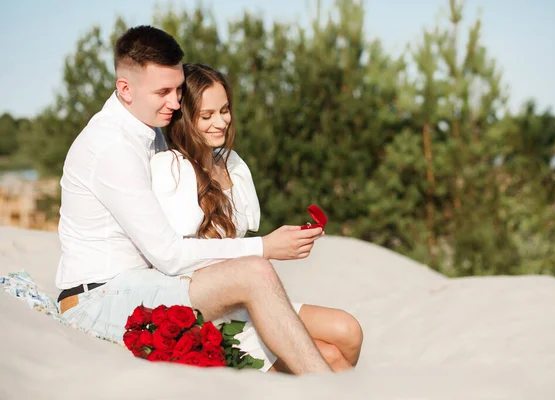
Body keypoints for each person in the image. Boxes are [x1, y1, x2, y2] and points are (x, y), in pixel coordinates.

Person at [54, 25, 360, 375]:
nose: (175, 102)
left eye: (179, 89)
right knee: (255, 270)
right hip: (100, 298)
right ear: (125, 89)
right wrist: (264, 247)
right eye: (163, 92)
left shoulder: (149, 129)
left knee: (335, 349)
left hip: (150, 287)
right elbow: (169, 255)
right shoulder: (112, 146)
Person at [151, 63, 363, 373]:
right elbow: (175, 255)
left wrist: (290, 241)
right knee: (329, 357)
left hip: (249, 296)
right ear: (184, 119)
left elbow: (243, 240)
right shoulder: (171, 167)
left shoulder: (232, 164)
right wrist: (265, 248)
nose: (221, 122)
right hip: (207, 304)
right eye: (207, 116)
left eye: (225, 110)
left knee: (348, 331)